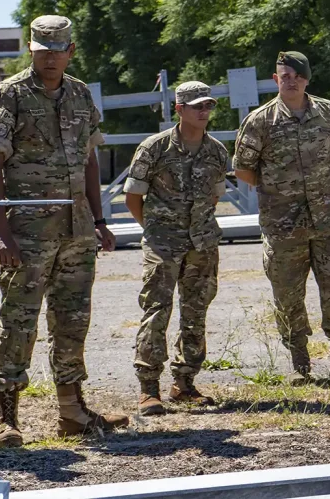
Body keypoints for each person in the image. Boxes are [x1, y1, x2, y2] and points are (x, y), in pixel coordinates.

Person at [0, 15, 129, 447]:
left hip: (77, 229)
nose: (50, 56)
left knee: (72, 320)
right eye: (42, 49)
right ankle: (6, 419)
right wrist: (1, 230)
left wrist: (100, 221)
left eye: (57, 48)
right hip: (27, 231)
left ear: (70, 51)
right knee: (19, 322)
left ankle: (73, 413)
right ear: (31, 49)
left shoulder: (80, 94)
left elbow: (88, 159)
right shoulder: (9, 94)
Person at [233, 51, 330, 382]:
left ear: (307, 79)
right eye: (284, 75)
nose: (291, 81)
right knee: (288, 293)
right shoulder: (260, 121)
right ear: (275, 80)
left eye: (297, 75)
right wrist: (277, 189)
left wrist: (318, 186)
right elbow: (243, 168)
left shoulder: (329, 112)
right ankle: (300, 361)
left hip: (327, 221)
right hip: (283, 225)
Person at [124, 81, 229, 415]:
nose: (204, 111)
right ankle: (148, 388)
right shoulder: (154, 148)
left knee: (196, 312)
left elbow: (214, 196)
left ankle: (184, 383)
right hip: (163, 244)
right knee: (157, 310)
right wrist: (156, 231)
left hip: (202, 243)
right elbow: (132, 197)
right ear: (180, 109)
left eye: (208, 105)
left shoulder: (216, 151)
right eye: (197, 106)